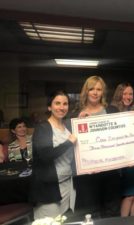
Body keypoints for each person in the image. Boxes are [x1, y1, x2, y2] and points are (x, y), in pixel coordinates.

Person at [30, 90, 77, 219]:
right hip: (49, 190)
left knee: (63, 221)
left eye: (65, 104)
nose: (61, 107)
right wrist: (68, 143)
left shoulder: (68, 128)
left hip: (67, 185)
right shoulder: (43, 128)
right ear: (49, 107)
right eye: (57, 103)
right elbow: (46, 155)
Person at [78, 75, 120, 217]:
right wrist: (78, 123)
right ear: (86, 91)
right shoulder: (77, 113)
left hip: (111, 170)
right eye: (91, 89)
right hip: (89, 173)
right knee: (92, 212)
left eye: (98, 89)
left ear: (103, 92)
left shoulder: (113, 110)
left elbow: (122, 133)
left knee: (112, 210)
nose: (95, 92)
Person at [111, 83, 134, 217]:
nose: (128, 96)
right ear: (119, 95)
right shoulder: (113, 111)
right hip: (123, 160)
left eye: (130, 94)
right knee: (128, 196)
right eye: (125, 93)